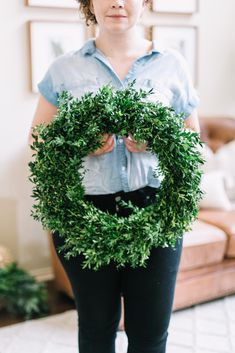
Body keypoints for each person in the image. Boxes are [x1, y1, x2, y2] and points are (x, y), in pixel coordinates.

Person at [28, 1, 200, 352]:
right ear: (90, 3)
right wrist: (80, 144)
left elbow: (193, 146)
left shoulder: (172, 65)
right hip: (82, 212)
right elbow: (37, 143)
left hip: (157, 211)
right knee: (95, 328)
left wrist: (158, 142)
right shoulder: (65, 68)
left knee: (150, 333)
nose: (117, 2)